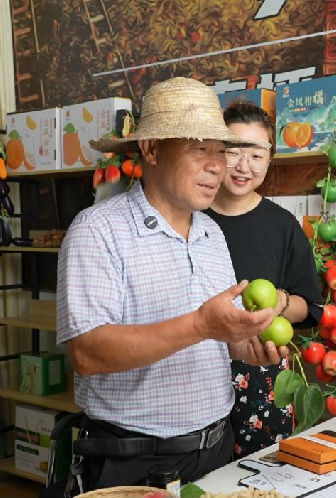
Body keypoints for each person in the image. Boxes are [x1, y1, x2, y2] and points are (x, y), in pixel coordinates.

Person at [55, 77, 289, 493]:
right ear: (151, 149)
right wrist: (201, 324)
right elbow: (88, 353)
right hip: (132, 461)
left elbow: (215, 338)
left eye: (222, 151)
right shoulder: (98, 231)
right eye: (201, 149)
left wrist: (242, 345)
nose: (218, 165)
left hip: (217, 448)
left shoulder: (212, 234)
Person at [204, 102, 323, 457]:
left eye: (256, 154)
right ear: (214, 152)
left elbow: (311, 307)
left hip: (262, 374)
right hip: (193, 375)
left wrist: (277, 303)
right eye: (233, 151)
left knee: (259, 483)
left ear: (269, 158)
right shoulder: (189, 218)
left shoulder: (282, 225)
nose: (244, 166)